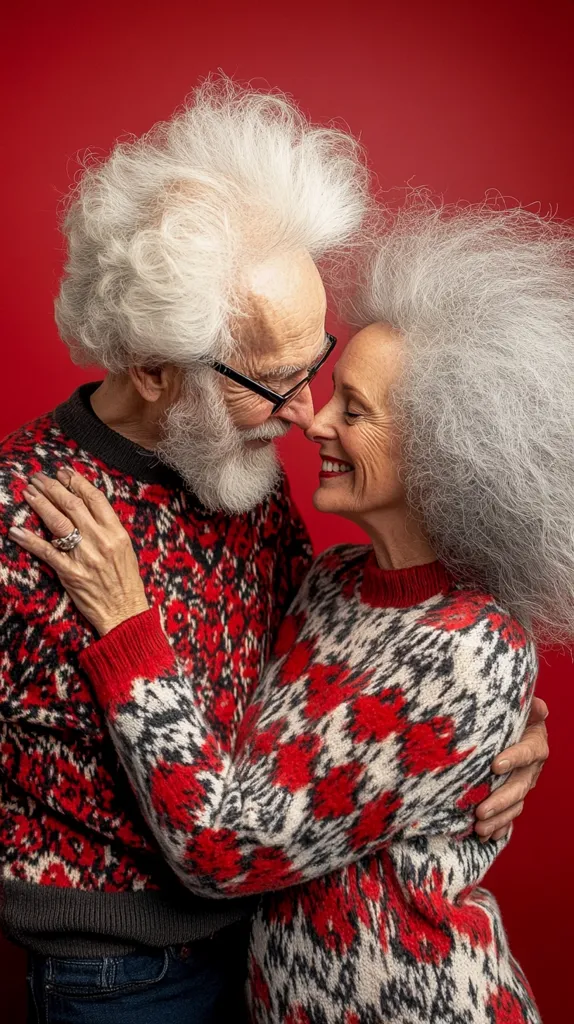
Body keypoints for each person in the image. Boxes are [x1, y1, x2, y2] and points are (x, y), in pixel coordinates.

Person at [11, 202, 569, 1023]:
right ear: (154, 368)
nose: (310, 417)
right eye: (285, 381)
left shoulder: (461, 642)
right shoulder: (332, 581)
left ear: (447, 450)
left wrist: (496, 727)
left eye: (348, 401)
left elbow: (236, 834)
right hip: (165, 978)